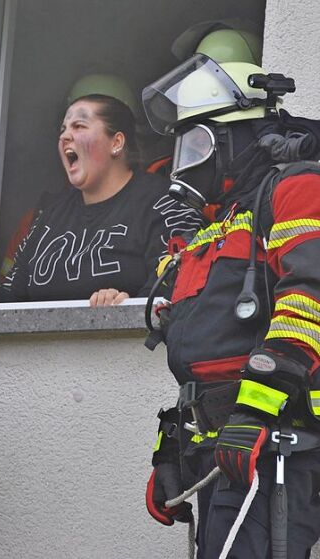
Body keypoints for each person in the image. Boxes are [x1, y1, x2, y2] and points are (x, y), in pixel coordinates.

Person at [141, 52, 320, 556]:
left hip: (274, 446)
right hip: (222, 449)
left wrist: (256, 413)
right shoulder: (213, 229)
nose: (187, 165)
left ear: (238, 140)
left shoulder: (294, 190)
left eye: (198, 145)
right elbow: (203, 350)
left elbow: (309, 302)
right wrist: (174, 442)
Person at [0, 92, 200, 306]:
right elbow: (8, 297)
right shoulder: (48, 216)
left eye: (79, 126)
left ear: (117, 142)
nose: (65, 136)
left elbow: (177, 284)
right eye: (63, 129)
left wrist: (124, 309)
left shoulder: (167, 202)